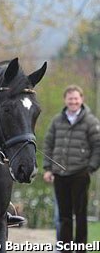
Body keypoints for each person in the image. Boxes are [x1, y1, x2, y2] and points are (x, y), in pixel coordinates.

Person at [43, 85, 100, 252]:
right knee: (64, 216)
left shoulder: (91, 121)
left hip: (80, 174)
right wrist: (48, 168)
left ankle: (80, 248)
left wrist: (91, 167)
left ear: (81, 99)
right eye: (70, 98)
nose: (73, 101)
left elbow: (98, 146)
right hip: (59, 175)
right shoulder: (56, 120)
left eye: (76, 98)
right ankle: (65, 248)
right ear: (65, 100)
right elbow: (48, 144)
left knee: (80, 215)